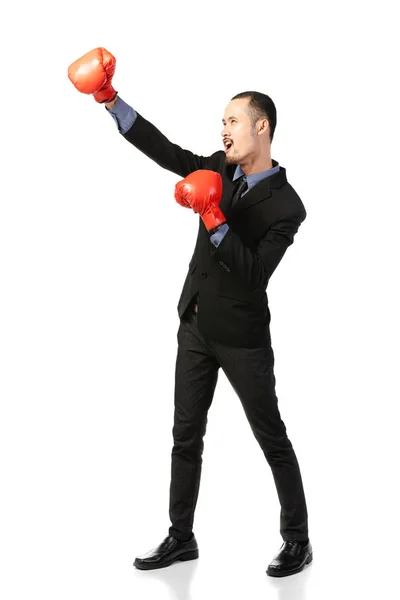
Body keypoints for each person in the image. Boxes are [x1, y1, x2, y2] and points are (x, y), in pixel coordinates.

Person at [68, 47, 313, 577]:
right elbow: (165, 151)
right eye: (221, 120)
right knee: (185, 436)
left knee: (271, 437)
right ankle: (182, 537)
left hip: (244, 339)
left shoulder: (288, 206)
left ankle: (297, 540)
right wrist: (111, 100)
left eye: (232, 120)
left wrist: (213, 217)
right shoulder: (217, 167)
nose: (223, 129)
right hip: (197, 325)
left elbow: (253, 275)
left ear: (261, 126)